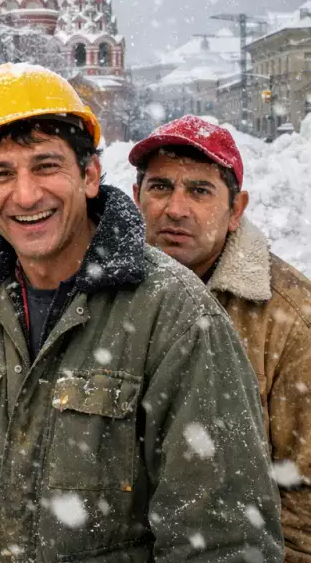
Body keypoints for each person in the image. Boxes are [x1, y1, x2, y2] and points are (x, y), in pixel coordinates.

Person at [0, 63, 282, 561]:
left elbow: (222, 540)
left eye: (45, 166)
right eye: (1, 174)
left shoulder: (174, 315)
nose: (26, 194)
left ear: (89, 175)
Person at [130, 115, 311, 559]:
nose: (175, 208)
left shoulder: (290, 320)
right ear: (136, 197)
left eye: (200, 191)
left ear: (235, 211)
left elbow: (303, 503)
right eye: (160, 187)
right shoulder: (96, 294)